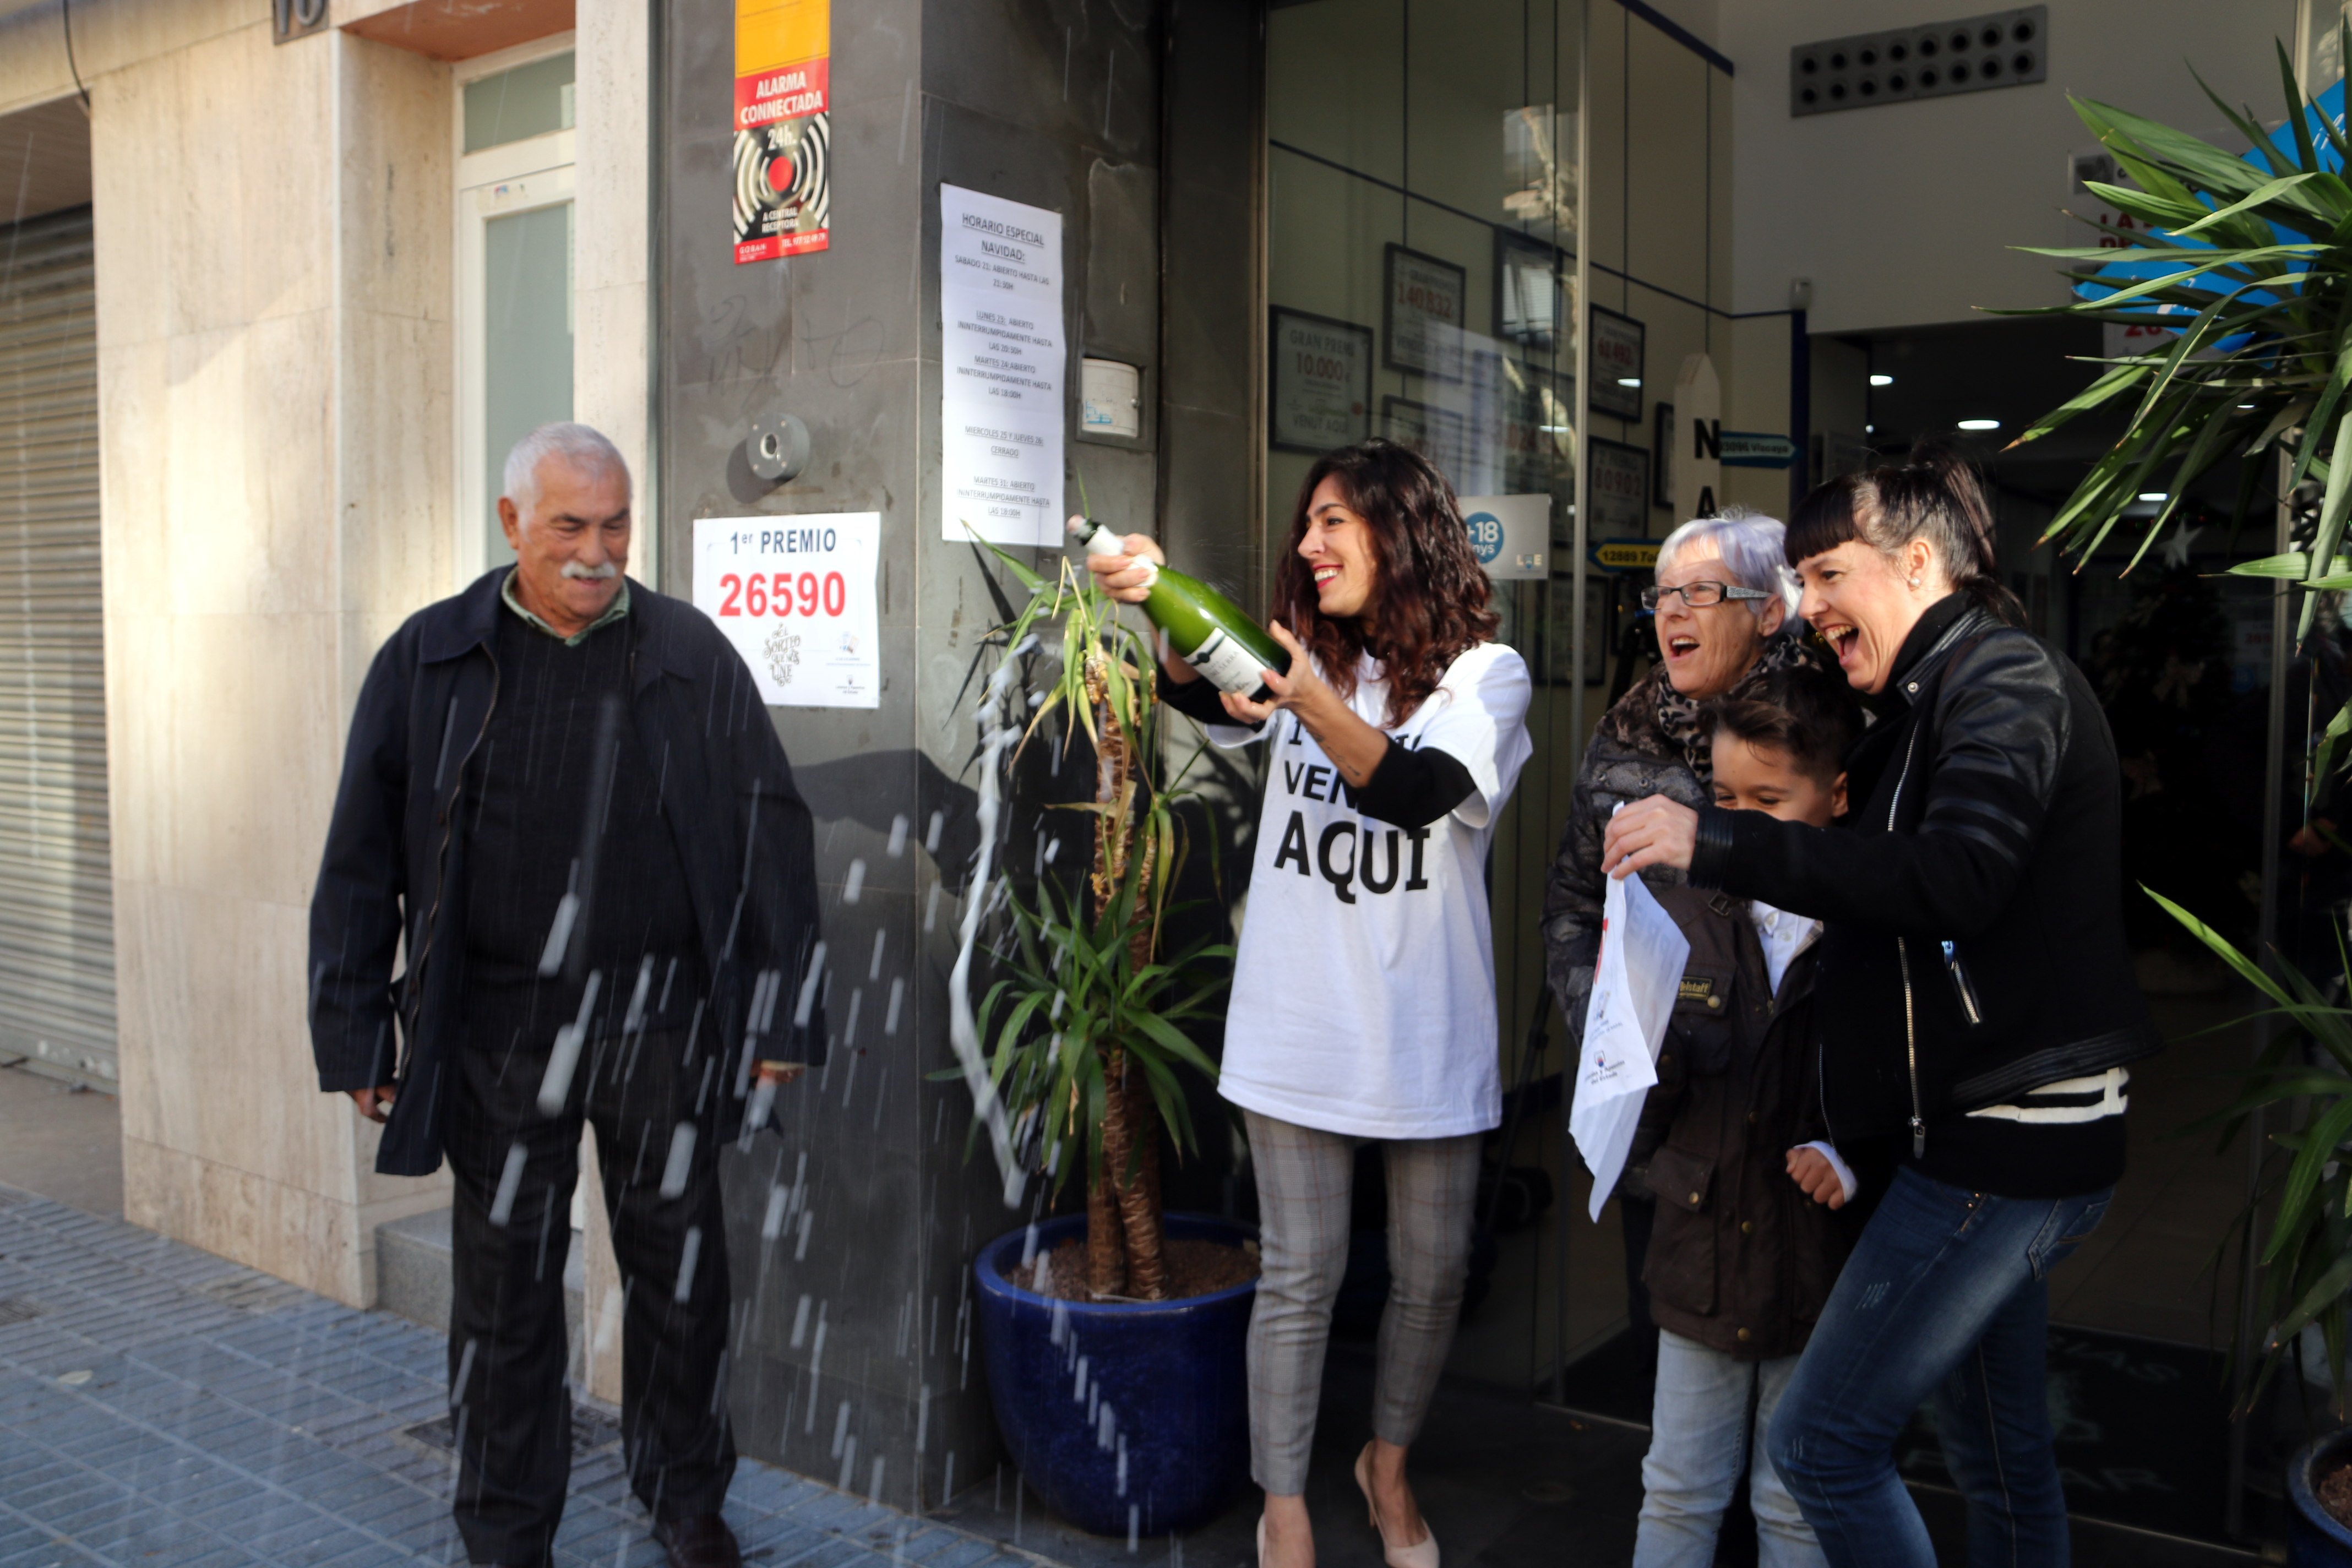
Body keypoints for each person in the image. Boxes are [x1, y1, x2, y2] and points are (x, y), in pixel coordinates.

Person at [1602, 448, 2162, 1568]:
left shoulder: (2004, 684)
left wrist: (1721, 837)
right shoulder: (1916, 703)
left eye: (1826, 573)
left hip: (2005, 1148)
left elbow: (1954, 879)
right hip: (1972, 1136)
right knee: (2001, 1456)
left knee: (1821, 1442)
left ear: (1915, 561)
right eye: (1800, 580)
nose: (1808, 607)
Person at [308, 422, 824, 1568]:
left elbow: (770, 839)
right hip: (498, 1028)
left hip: (665, 1022)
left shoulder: (691, 654)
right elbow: (360, 858)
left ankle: (687, 1498)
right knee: (504, 1297)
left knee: (682, 1277)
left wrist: (780, 1013)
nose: (598, 553)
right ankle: (503, 1527)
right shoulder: (430, 658)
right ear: (510, 525)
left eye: (616, 525)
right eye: (569, 528)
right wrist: (354, 1025)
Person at [1086, 438, 1531, 1568]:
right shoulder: (1298, 661)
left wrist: (1310, 697)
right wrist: (1157, 598)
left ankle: (1385, 1462)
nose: (1309, 543)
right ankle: (1283, 1502)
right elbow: (1208, 689)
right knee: (1302, 1274)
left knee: (1432, 1276)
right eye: (1307, 522)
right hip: (1296, 1020)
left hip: (1427, 1028)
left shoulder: (1488, 674)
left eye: (1336, 520)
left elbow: (1419, 791)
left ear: (1404, 530)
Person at [1542, 509, 1823, 1373]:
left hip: (1792, 1112)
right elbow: (1572, 899)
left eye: (1702, 593)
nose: (1673, 613)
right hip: (1665, 1107)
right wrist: (1611, 1030)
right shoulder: (1627, 730)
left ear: (1770, 612)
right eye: (1663, 594)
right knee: (1669, 1341)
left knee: (1797, 1355)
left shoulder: (1824, 725)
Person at [1628, 664, 1862, 1568]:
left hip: (1819, 1266)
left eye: (1772, 799)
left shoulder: (1870, 921)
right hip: (1701, 1255)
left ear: (1836, 796)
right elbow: (1652, 1085)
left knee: (1795, 1499)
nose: (1742, 820)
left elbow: (1905, 1083)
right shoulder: (1685, 905)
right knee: (1678, 1488)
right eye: (1724, 797)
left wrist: (1855, 1153)